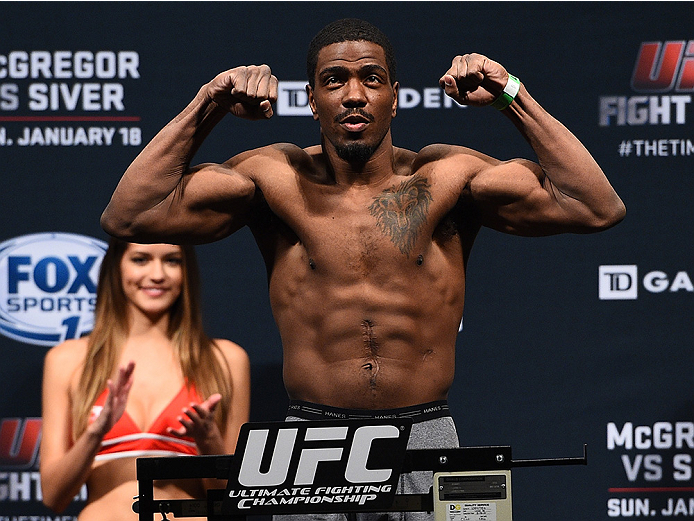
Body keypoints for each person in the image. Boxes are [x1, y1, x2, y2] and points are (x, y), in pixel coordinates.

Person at [100, 18, 625, 520]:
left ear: (394, 97)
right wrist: (209, 103)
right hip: (310, 438)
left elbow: (595, 206)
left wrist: (513, 94)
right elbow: (131, 215)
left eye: (371, 79)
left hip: (426, 430)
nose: (354, 95)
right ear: (311, 100)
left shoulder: (447, 176)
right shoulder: (275, 178)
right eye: (335, 81)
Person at [39, 238, 251, 521]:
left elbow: (232, 500)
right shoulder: (67, 360)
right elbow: (53, 496)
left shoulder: (226, 359)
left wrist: (209, 443)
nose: (157, 274)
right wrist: (96, 432)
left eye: (172, 260)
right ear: (116, 267)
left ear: (187, 270)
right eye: (141, 259)